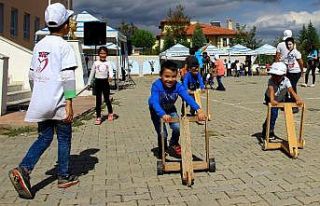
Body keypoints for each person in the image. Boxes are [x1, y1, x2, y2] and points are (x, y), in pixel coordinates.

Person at [8, 3, 79, 199]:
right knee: (64, 138)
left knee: (44, 138)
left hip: (41, 101)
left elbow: (31, 75)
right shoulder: (64, 47)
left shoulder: (39, 45)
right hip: (59, 102)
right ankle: (64, 176)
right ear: (65, 25)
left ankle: (24, 168)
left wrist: (38, 93)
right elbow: (68, 77)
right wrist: (70, 102)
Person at [148, 60, 206, 157]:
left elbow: (187, 98)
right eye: (167, 76)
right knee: (163, 133)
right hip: (156, 111)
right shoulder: (156, 86)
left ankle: (174, 142)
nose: (170, 80)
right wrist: (162, 114)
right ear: (161, 75)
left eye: (173, 77)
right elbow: (154, 102)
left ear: (177, 76)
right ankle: (163, 149)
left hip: (170, 108)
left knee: (177, 127)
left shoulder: (178, 86)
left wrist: (198, 110)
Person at [262, 62, 303, 140]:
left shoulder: (286, 80)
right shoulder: (271, 80)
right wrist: (272, 100)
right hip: (270, 97)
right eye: (273, 75)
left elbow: (291, 91)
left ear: (283, 75)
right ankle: (269, 130)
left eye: (278, 76)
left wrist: (298, 99)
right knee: (274, 114)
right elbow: (271, 91)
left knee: (283, 109)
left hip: (281, 97)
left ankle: (267, 126)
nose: (275, 77)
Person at [87, 46, 115, 125]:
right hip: (97, 82)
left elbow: (111, 71)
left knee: (106, 99)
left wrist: (110, 77)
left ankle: (110, 112)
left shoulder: (108, 63)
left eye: (104, 53)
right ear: (98, 54)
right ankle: (98, 117)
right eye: (101, 53)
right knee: (98, 100)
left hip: (105, 82)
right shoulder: (96, 63)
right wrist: (89, 83)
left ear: (107, 54)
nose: (103, 55)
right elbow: (92, 74)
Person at [283, 37, 304, 110]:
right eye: (287, 45)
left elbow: (301, 62)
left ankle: (295, 105)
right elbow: (288, 63)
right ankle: (288, 103)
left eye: (290, 44)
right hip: (290, 72)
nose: (289, 46)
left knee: (292, 87)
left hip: (296, 72)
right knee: (287, 87)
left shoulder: (296, 52)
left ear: (293, 44)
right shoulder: (289, 53)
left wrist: (302, 71)